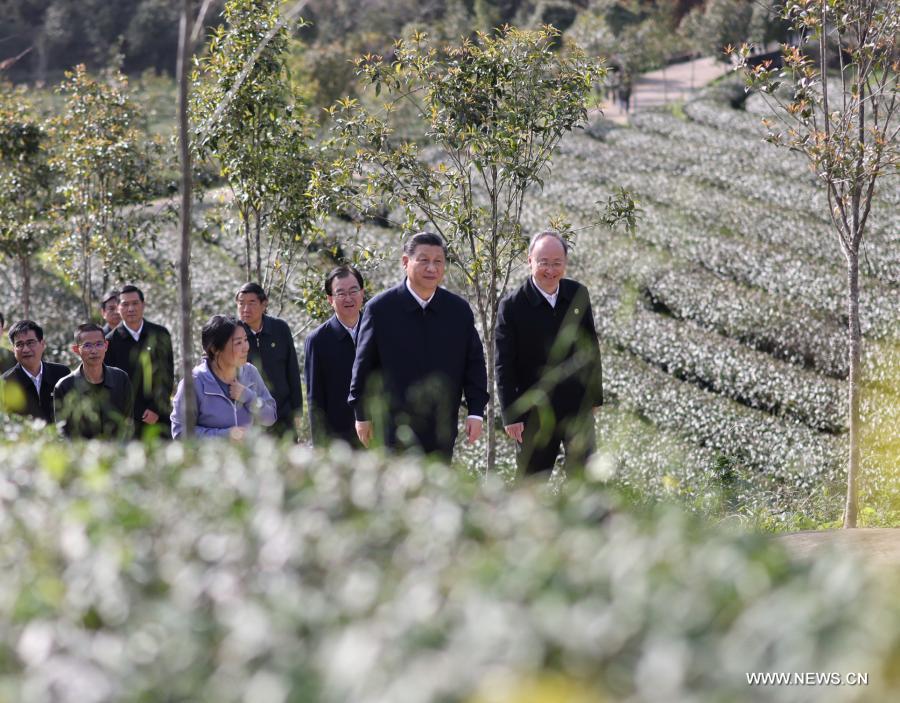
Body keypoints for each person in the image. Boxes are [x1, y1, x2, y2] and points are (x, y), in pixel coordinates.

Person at [349, 232, 489, 461]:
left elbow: (473, 363)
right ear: (406, 262)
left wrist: (475, 411)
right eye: (423, 260)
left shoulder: (458, 311)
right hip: (392, 430)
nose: (432, 268)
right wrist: (361, 415)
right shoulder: (381, 309)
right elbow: (363, 365)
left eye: (438, 262)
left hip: (441, 428)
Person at [495, 230, 603, 476]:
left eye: (557, 263)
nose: (550, 270)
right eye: (543, 262)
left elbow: (591, 349)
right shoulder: (512, 306)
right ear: (529, 260)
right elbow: (504, 365)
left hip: (576, 407)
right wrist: (511, 415)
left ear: (565, 263)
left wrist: (595, 397)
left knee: (585, 479)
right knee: (533, 482)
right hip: (535, 413)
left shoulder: (577, 294)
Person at [171, 315, 277, 439]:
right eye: (238, 343)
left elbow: (270, 418)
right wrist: (227, 436)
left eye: (245, 340)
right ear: (215, 349)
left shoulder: (250, 372)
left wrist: (248, 396)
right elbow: (180, 433)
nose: (246, 347)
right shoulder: (194, 382)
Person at [304, 265, 365, 447]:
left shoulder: (378, 331)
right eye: (340, 293)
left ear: (362, 292)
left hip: (379, 436)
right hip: (340, 441)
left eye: (353, 290)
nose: (348, 298)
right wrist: (320, 446)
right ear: (330, 299)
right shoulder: (318, 340)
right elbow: (315, 399)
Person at [105, 284, 174, 439]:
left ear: (143, 305)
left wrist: (155, 409)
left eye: (135, 303)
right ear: (118, 308)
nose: (131, 309)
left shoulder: (160, 334)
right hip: (128, 421)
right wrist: (140, 412)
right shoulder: (110, 342)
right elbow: (113, 385)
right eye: (125, 304)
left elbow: (168, 375)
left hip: (160, 417)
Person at [236, 282, 303, 437]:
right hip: (250, 417)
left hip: (283, 413)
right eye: (241, 304)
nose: (245, 309)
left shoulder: (280, 328)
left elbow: (292, 369)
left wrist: (297, 409)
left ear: (264, 303)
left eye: (251, 303)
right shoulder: (234, 333)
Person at [54, 323, 134, 440]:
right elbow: (63, 433)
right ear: (76, 349)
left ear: (106, 345)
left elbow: (128, 423)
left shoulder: (121, 378)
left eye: (99, 344)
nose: (94, 351)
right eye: (87, 345)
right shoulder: (64, 386)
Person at [0, 320, 71, 423]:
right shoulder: (5, 383)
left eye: (30, 343)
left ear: (42, 344)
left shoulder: (61, 374)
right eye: (19, 344)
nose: (25, 349)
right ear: (13, 349)